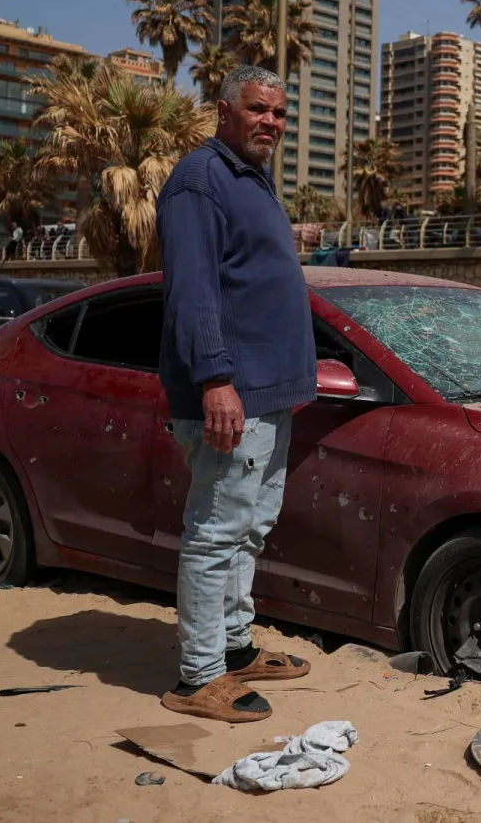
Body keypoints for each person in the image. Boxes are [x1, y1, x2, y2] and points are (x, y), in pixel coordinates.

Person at [156, 64, 317, 724]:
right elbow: (192, 291)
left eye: (278, 113)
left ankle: (233, 645)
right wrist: (216, 378)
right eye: (257, 109)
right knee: (216, 533)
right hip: (234, 393)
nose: (270, 122)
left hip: (269, 394)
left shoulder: (253, 178)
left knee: (249, 529)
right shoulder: (201, 179)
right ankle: (198, 675)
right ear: (224, 110)